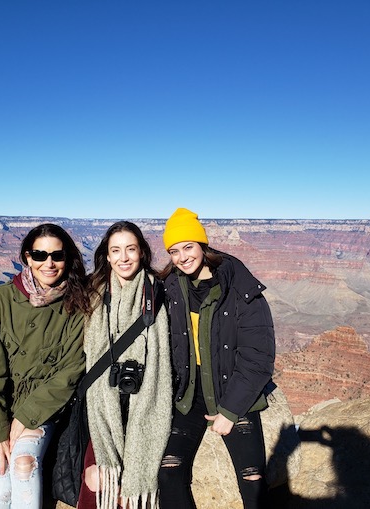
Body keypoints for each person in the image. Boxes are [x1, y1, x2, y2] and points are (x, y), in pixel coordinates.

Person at [0, 223, 91, 509]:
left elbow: (70, 371)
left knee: (23, 464)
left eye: (57, 255)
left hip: (38, 407)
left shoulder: (77, 306)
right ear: (27, 257)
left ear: (69, 259)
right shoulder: (1, 300)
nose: (49, 263)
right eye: (40, 255)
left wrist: (26, 416)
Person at [157, 208, 276, 509]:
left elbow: (258, 357)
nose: (182, 257)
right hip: (188, 395)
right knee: (168, 472)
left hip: (231, 390)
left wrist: (230, 411)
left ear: (202, 245)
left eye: (188, 247)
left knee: (253, 479)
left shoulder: (239, 287)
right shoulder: (171, 287)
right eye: (174, 251)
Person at [78, 221, 172, 509]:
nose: (124, 257)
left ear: (142, 252)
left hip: (145, 404)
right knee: (96, 483)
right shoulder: (93, 293)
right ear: (106, 256)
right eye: (115, 250)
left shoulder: (160, 293)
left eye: (131, 249)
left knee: (132, 492)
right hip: (103, 408)